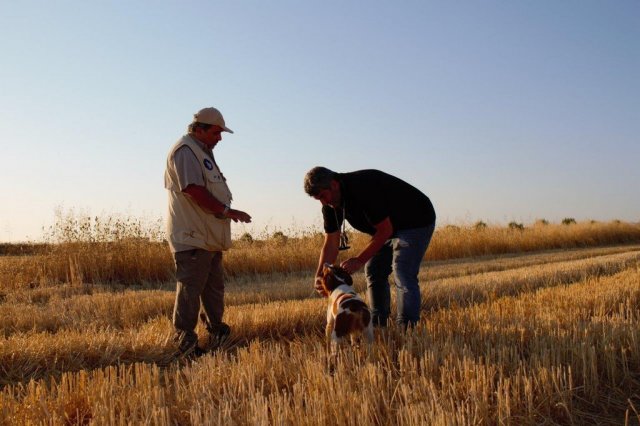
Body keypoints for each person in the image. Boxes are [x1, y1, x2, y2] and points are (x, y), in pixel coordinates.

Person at [164, 106, 252, 357]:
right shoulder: (185, 151)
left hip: (207, 237)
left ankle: (217, 332)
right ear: (199, 130)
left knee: (214, 288)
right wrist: (226, 211)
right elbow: (193, 189)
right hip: (193, 236)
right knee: (190, 289)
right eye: (216, 132)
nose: (220, 138)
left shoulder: (201, 151)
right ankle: (185, 343)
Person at [304, 167, 436, 328]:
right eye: (318, 199)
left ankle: (407, 327)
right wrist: (320, 274)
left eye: (323, 196)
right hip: (387, 228)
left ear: (334, 184)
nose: (324, 202)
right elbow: (331, 242)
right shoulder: (330, 206)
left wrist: (359, 260)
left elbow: (385, 230)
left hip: (415, 220)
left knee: (402, 270)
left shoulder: (363, 188)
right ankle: (378, 322)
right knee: (374, 269)